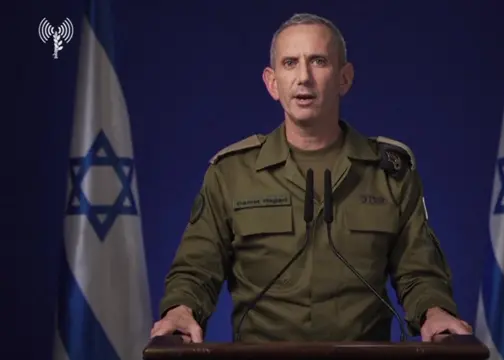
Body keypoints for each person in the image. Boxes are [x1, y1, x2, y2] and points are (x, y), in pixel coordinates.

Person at [150, 12, 472, 343]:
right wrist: (181, 309)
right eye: (290, 63)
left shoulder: (389, 172)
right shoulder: (231, 173)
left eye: (318, 61)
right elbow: (196, 268)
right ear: (272, 82)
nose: (304, 77)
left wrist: (434, 312)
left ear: (344, 78)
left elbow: (418, 271)